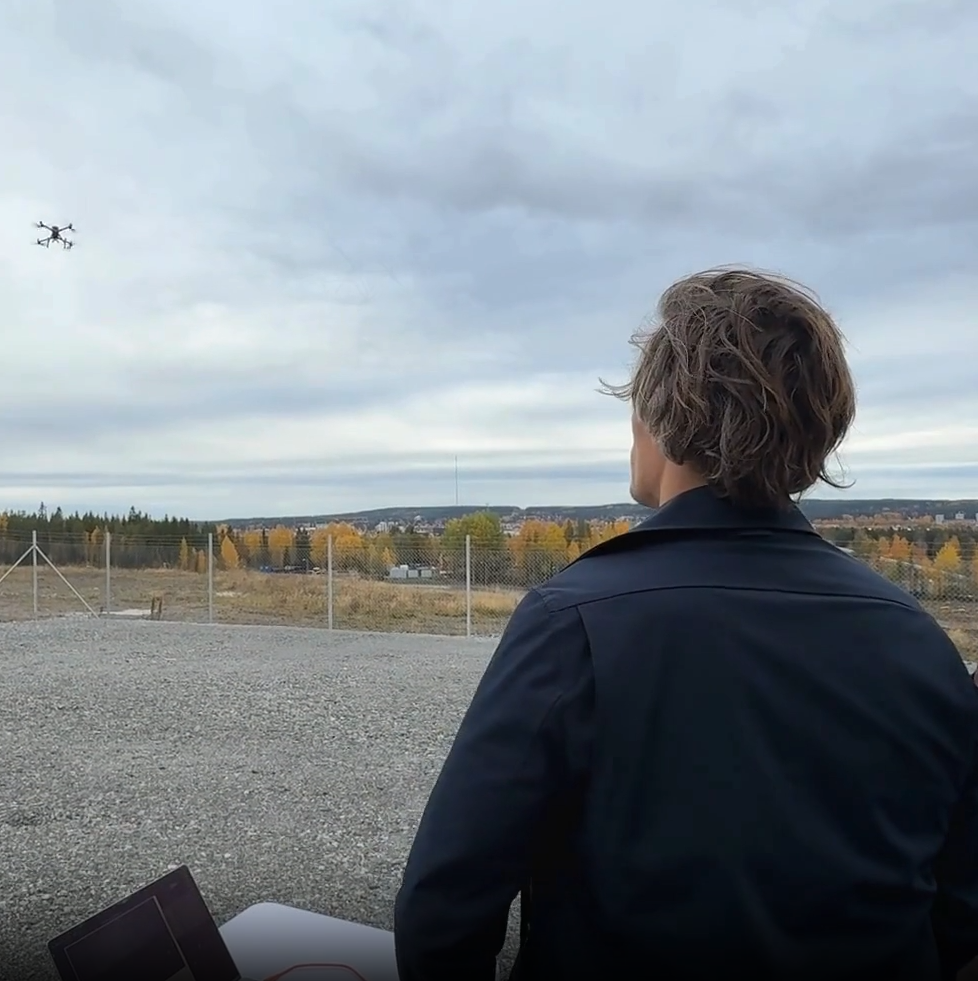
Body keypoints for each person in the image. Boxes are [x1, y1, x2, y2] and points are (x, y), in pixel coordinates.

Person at [392, 267, 978, 981]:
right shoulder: (917, 638)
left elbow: (445, 905)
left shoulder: (572, 621)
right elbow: (957, 902)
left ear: (660, 419)